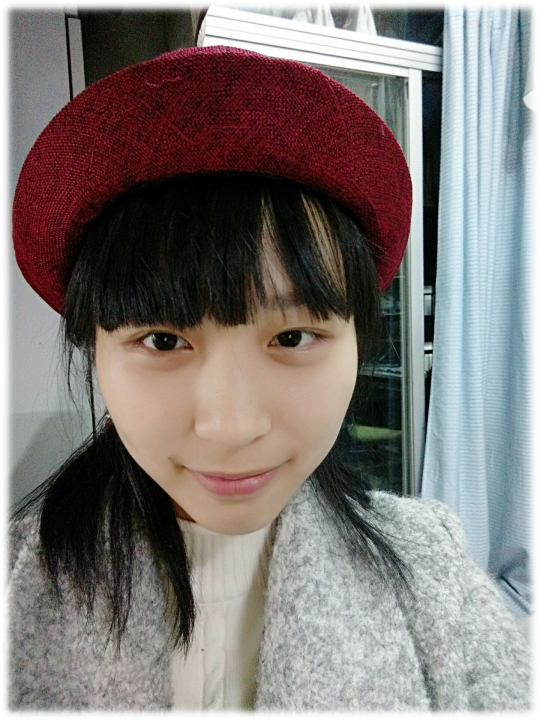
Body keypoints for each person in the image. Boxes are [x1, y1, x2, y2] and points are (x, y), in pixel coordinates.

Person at [2, 45, 537, 719]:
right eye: (163, 340)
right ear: (94, 349)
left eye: (291, 338)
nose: (231, 426)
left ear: (357, 339)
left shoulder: (430, 572)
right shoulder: (17, 581)